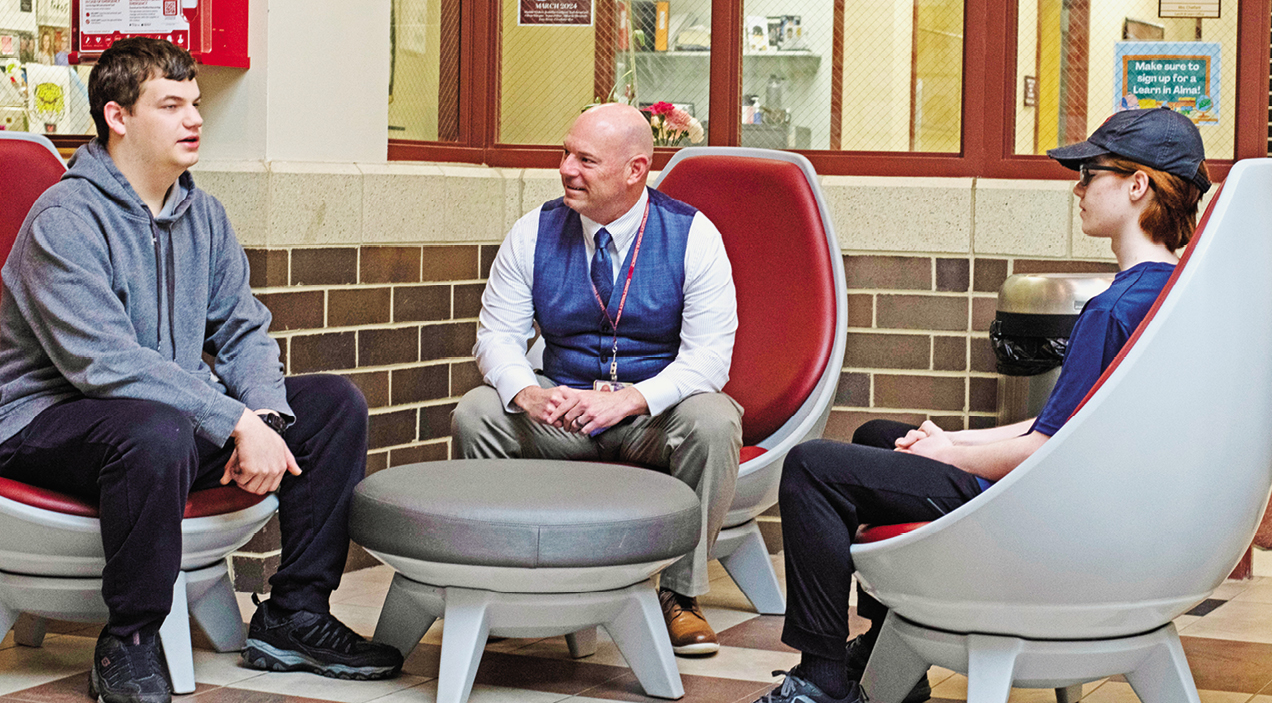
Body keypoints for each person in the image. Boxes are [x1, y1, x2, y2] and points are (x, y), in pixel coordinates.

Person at [754, 107, 1211, 703]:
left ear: (1136, 184)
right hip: (1101, 508)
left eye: (1089, 173)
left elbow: (1047, 450)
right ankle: (884, 654)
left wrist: (954, 455)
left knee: (813, 466)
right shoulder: (1170, 296)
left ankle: (820, 680)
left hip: (1040, 512)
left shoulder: (1111, 308)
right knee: (876, 435)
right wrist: (954, 441)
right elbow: (1071, 423)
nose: (1077, 188)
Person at [0, 37, 403, 703]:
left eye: (195, 103)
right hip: (44, 422)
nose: (193, 118)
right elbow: (103, 363)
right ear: (117, 116)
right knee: (151, 428)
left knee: (332, 406)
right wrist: (233, 418)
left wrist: (267, 416)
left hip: (159, 414)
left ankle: (295, 613)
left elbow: (243, 327)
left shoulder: (202, 215)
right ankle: (128, 639)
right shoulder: (65, 218)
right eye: (170, 104)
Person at [452, 102, 742, 656]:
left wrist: (633, 400)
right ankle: (502, 580)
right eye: (565, 153)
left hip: (649, 419)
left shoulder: (693, 235)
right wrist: (527, 393)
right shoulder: (532, 231)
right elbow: (495, 337)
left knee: (714, 419)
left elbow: (709, 359)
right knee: (478, 412)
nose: (566, 169)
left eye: (585, 159)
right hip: (560, 413)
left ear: (635, 170)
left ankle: (681, 594)